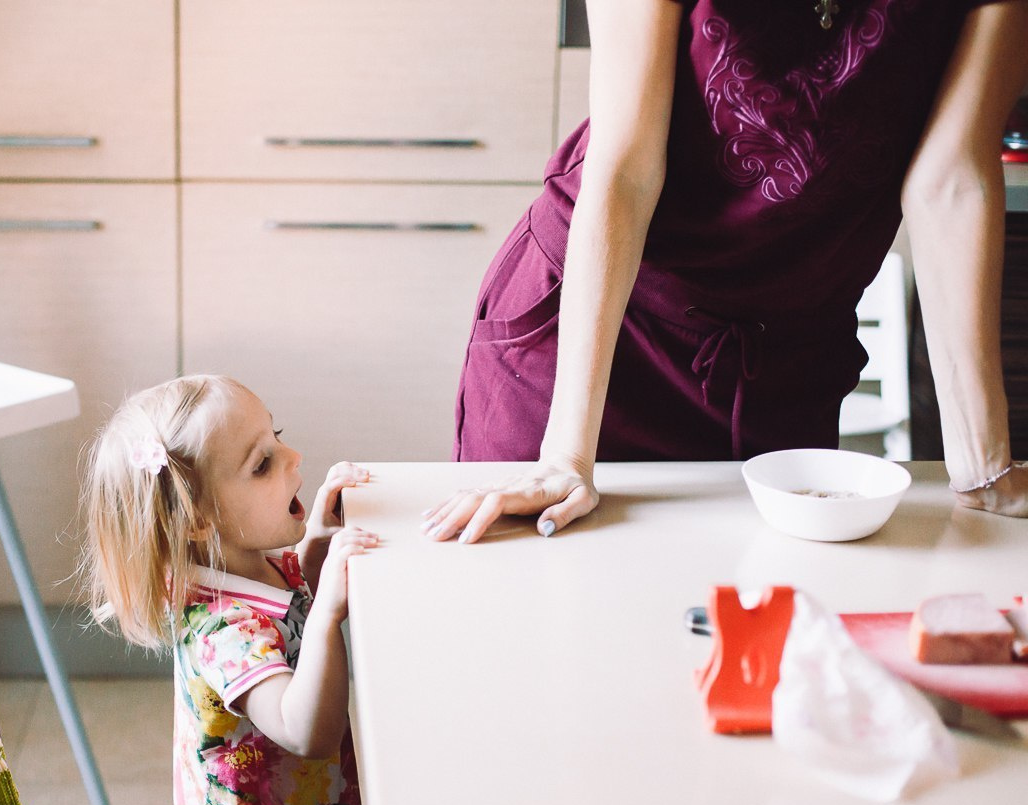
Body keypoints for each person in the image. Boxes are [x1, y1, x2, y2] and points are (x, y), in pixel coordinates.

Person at [423, 0, 1028, 545]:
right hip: (595, 344)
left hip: (781, 369)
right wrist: (566, 459)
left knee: (757, 649)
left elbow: (948, 182)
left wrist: (984, 465)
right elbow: (627, 171)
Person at [80, 375, 373, 805]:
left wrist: (317, 545)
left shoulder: (249, 561)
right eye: (262, 464)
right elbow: (305, 731)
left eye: (276, 436)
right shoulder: (222, 631)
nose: (293, 457)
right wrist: (328, 614)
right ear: (198, 520)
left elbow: (289, 605)